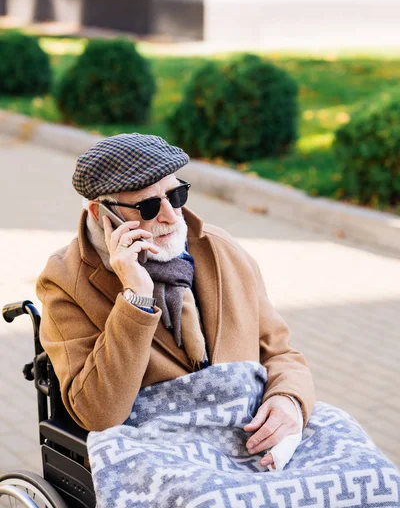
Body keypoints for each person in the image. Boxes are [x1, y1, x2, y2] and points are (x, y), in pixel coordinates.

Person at [37, 133, 315, 471]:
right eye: (148, 206)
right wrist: (135, 297)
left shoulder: (219, 249)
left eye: (176, 194)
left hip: (250, 435)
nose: (170, 215)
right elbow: (97, 412)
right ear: (101, 212)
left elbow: (280, 352)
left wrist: (287, 400)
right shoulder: (64, 281)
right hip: (160, 453)